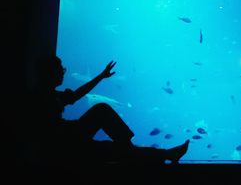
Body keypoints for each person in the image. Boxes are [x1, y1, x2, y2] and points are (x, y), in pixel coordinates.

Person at [32, 55, 189, 165]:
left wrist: (100, 76)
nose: (62, 72)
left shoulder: (49, 94)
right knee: (102, 110)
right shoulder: (41, 97)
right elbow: (74, 97)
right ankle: (159, 153)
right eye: (60, 69)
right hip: (65, 141)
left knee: (117, 150)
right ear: (49, 72)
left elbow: (76, 95)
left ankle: (167, 154)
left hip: (68, 141)